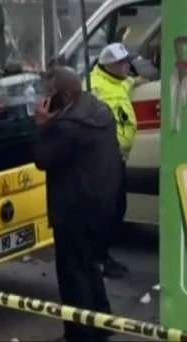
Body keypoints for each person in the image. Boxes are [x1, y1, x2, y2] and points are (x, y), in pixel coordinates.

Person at [32, 65, 120, 342]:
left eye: (49, 95)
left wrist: (42, 125)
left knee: (72, 275)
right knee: (91, 266)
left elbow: (42, 159)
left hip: (74, 210)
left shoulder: (68, 127)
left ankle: (79, 333)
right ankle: (101, 321)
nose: (44, 101)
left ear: (65, 97)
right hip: (102, 205)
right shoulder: (99, 111)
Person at [89, 42, 144, 278]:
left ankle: (103, 255)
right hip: (104, 159)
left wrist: (138, 81)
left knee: (118, 208)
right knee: (105, 212)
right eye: (122, 63)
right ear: (109, 65)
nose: (127, 67)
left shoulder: (117, 81)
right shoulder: (95, 87)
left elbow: (128, 82)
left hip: (117, 159)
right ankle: (98, 260)